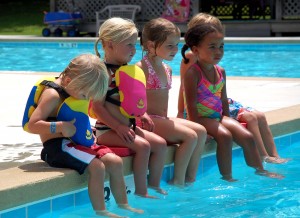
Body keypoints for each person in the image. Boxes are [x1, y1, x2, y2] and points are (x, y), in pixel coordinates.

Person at [25, 54, 143, 217]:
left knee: (115, 162)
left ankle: (124, 205)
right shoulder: (52, 95)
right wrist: (60, 127)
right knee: (97, 167)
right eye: (84, 96)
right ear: (67, 81)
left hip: (78, 143)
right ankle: (101, 211)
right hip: (58, 147)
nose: (86, 99)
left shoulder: (75, 87)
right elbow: (32, 125)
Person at [178, 12, 289, 165]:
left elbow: (221, 94)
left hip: (219, 103)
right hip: (204, 107)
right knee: (250, 118)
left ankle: (274, 155)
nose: (215, 40)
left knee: (260, 116)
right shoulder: (191, 58)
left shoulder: (218, 65)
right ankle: (263, 157)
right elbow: (184, 89)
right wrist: (180, 113)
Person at [92, 17, 168, 198]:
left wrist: (143, 114)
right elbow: (97, 107)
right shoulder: (103, 73)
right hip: (107, 131)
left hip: (127, 128)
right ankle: (141, 192)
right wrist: (118, 127)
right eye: (129, 45)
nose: (134, 50)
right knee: (143, 147)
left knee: (161, 144)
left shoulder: (127, 70)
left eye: (135, 45)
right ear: (109, 45)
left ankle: (154, 185)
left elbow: (131, 100)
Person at [135, 17, 207, 186]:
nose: (175, 50)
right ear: (151, 45)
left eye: (177, 45)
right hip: (147, 121)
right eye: (170, 46)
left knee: (201, 131)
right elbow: (133, 101)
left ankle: (191, 178)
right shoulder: (140, 68)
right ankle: (178, 180)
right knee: (190, 136)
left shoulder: (167, 68)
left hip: (162, 119)